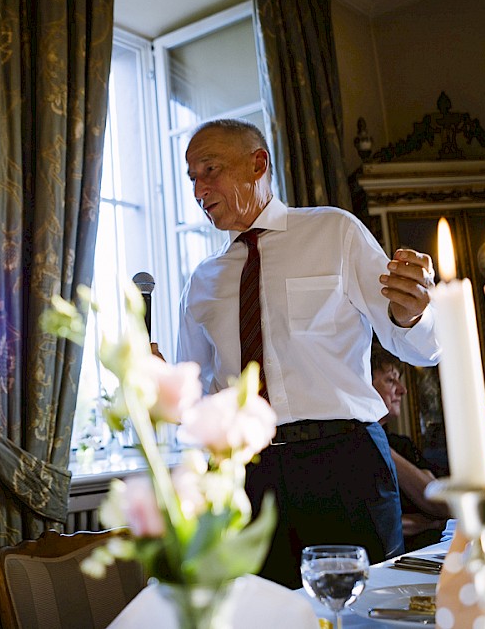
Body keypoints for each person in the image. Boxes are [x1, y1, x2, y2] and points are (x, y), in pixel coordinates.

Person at [177, 119, 441, 587]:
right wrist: (165, 390)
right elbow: (197, 400)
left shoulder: (334, 232)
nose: (199, 188)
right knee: (267, 617)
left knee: (365, 613)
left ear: (257, 163)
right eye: (192, 177)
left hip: (345, 464)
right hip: (248, 480)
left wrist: (412, 313)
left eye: (210, 170)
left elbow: (418, 347)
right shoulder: (202, 281)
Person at [372, 341, 450, 551]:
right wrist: (429, 521)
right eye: (390, 380)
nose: (403, 390)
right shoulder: (351, 451)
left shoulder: (402, 445)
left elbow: (441, 503)